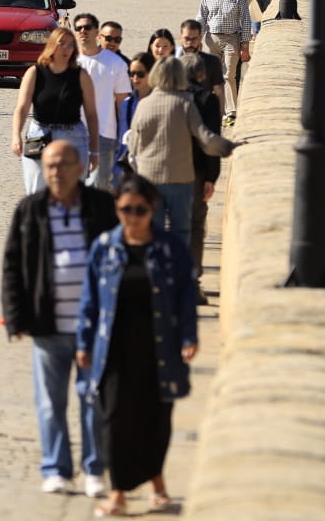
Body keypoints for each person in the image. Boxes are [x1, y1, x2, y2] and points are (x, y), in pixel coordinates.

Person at [75, 172, 200, 517]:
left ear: (153, 209)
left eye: (140, 210)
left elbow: (186, 296)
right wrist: (83, 343)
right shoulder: (104, 248)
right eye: (126, 209)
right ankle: (118, 493)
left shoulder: (169, 248)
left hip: (158, 348)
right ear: (117, 208)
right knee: (114, 420)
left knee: (156, 419)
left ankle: (157, 484)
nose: (133, 217)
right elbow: (90, 301)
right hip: (113, 351)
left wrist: (189, 336)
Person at [1, 140, 120, 498]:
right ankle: (55, 469)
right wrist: (15, 318)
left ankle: (94, 469)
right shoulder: (30, 210)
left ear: (81, 167)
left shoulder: (101, 208)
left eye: (63, 164)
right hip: (48, 324)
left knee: (94, 400)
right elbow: (13, 265)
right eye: (49, 165)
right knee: (50, 403)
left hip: (94, 328)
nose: (55, 171)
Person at [124, 56, 239, 252]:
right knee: (181, 232)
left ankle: (158, 276)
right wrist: (230, 147)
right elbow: (206, 139)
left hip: (150, 179)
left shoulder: (144, 104)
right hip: (180, 178)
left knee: (154, 232)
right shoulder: (185, 103)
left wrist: (141, 172)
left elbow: (132, 150)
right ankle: (179, 274)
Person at [11, 26, 100, 195]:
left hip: (73, 136)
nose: (66, 49)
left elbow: (91, 115)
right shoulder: (35, 72)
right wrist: (16, 136)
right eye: (62, 44)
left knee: (72, 195)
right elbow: (21, 108)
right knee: (37, 192)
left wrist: (94, 151)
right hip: (40, 135)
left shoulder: (81, 75)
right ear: (52, 45)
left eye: (71, 45)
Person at [181, 53, 223, 305]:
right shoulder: (207, 99)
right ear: (202, 75)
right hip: (195, 172)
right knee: (195, 226)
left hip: (166, 171)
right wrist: (212, 176)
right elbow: (211, 140)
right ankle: (192, 280)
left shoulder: (165, 96)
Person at [74, 13, 132, 192]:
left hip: (104, 134)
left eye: (87, 27)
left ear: (96, 32)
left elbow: (123, 105)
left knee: (100, 188)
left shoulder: (116, 64)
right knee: (73, 188)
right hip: (72, 133)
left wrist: (124, 139)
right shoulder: (70, 61)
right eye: (79, 28)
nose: (83, 31)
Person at [198, 0, 251, 124]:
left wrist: (245, 46)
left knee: (228, 75)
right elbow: (201, 18)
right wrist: (196, 38)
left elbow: (246, 21)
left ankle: (231, 111)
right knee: (211, 76)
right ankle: (214, 109)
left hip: (231, 40)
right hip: (211, 39)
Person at [114, 51, 157, 171]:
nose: (135, 78)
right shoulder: (127, 104)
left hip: (154, 165)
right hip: (130, 167)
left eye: (140, 74)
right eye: (131, 74)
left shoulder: (160, 103)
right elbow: (123, 140)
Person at [176, 20, 223, 103]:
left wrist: (218, 113)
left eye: (194, 39)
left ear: (200, 38)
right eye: (187, 38)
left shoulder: (212, 61)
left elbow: (218, 91)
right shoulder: (172, 61)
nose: (190, 43)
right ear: (180, 38)